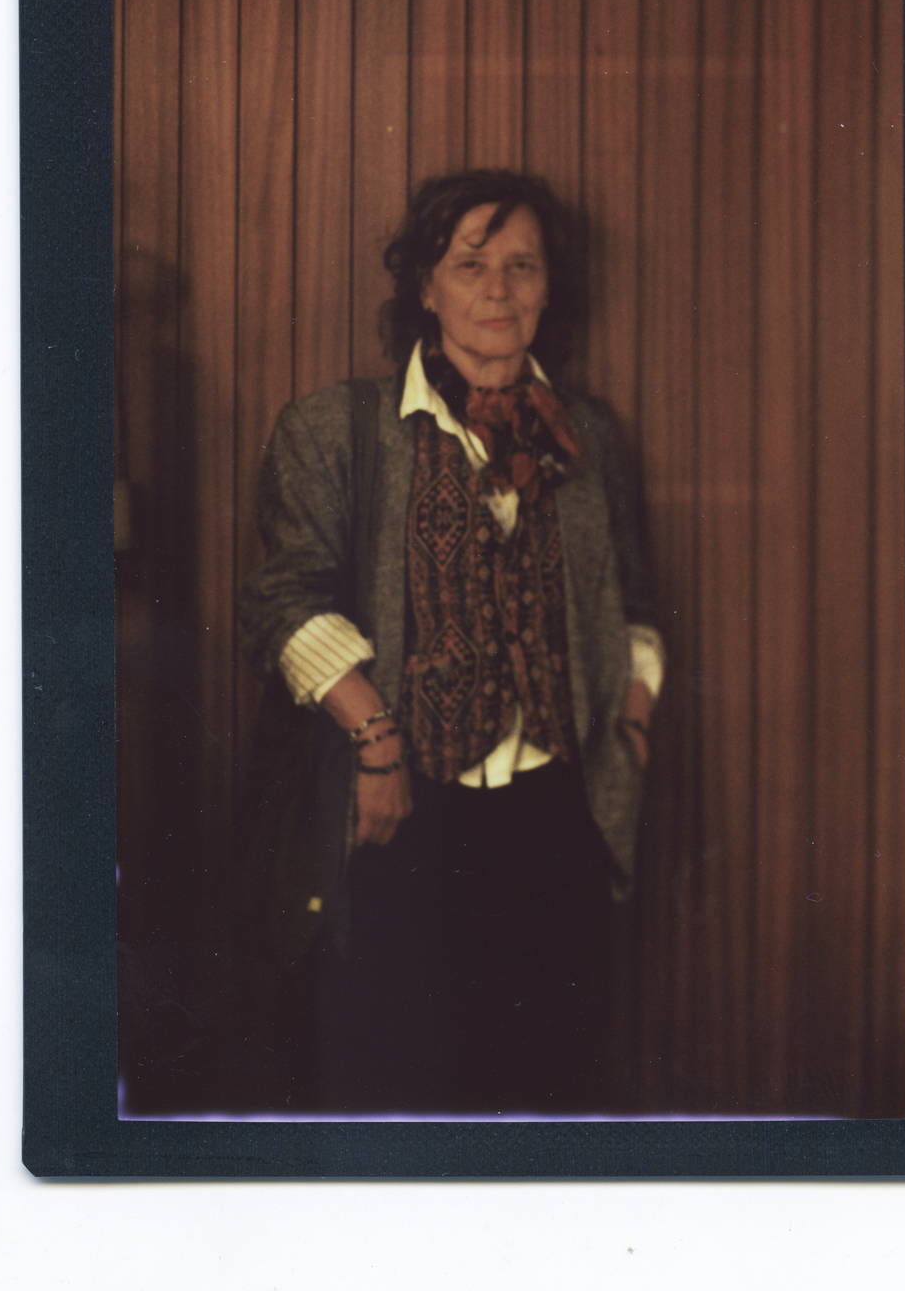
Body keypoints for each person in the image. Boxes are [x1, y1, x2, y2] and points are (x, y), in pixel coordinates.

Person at [237, 169, 663, 1114]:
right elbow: (280, 605)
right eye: (471, 265)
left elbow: (633, 606)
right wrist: (375, 741)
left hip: (557, 818)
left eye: (522, 266)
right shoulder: (336, 429)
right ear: (426, 288)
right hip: (399, 817)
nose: (499, 290)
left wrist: (628, 727)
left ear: (548, 289)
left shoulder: (588, 438)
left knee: (545, 1090)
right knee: (395, 1093)